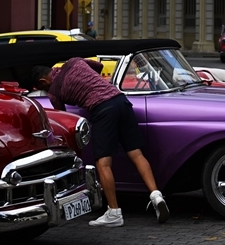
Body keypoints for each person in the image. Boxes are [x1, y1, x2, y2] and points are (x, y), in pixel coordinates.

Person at [30, 58, 169, 227]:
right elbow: (99, 66)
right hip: (121, 101)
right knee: (136, 153)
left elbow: (63, 118)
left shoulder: (54, 92)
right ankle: (156, 195)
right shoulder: (75, 62)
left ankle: (114, 212)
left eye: (41, 88)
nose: (45, 90)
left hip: (102, 110)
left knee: (103, 163)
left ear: (43, 81)